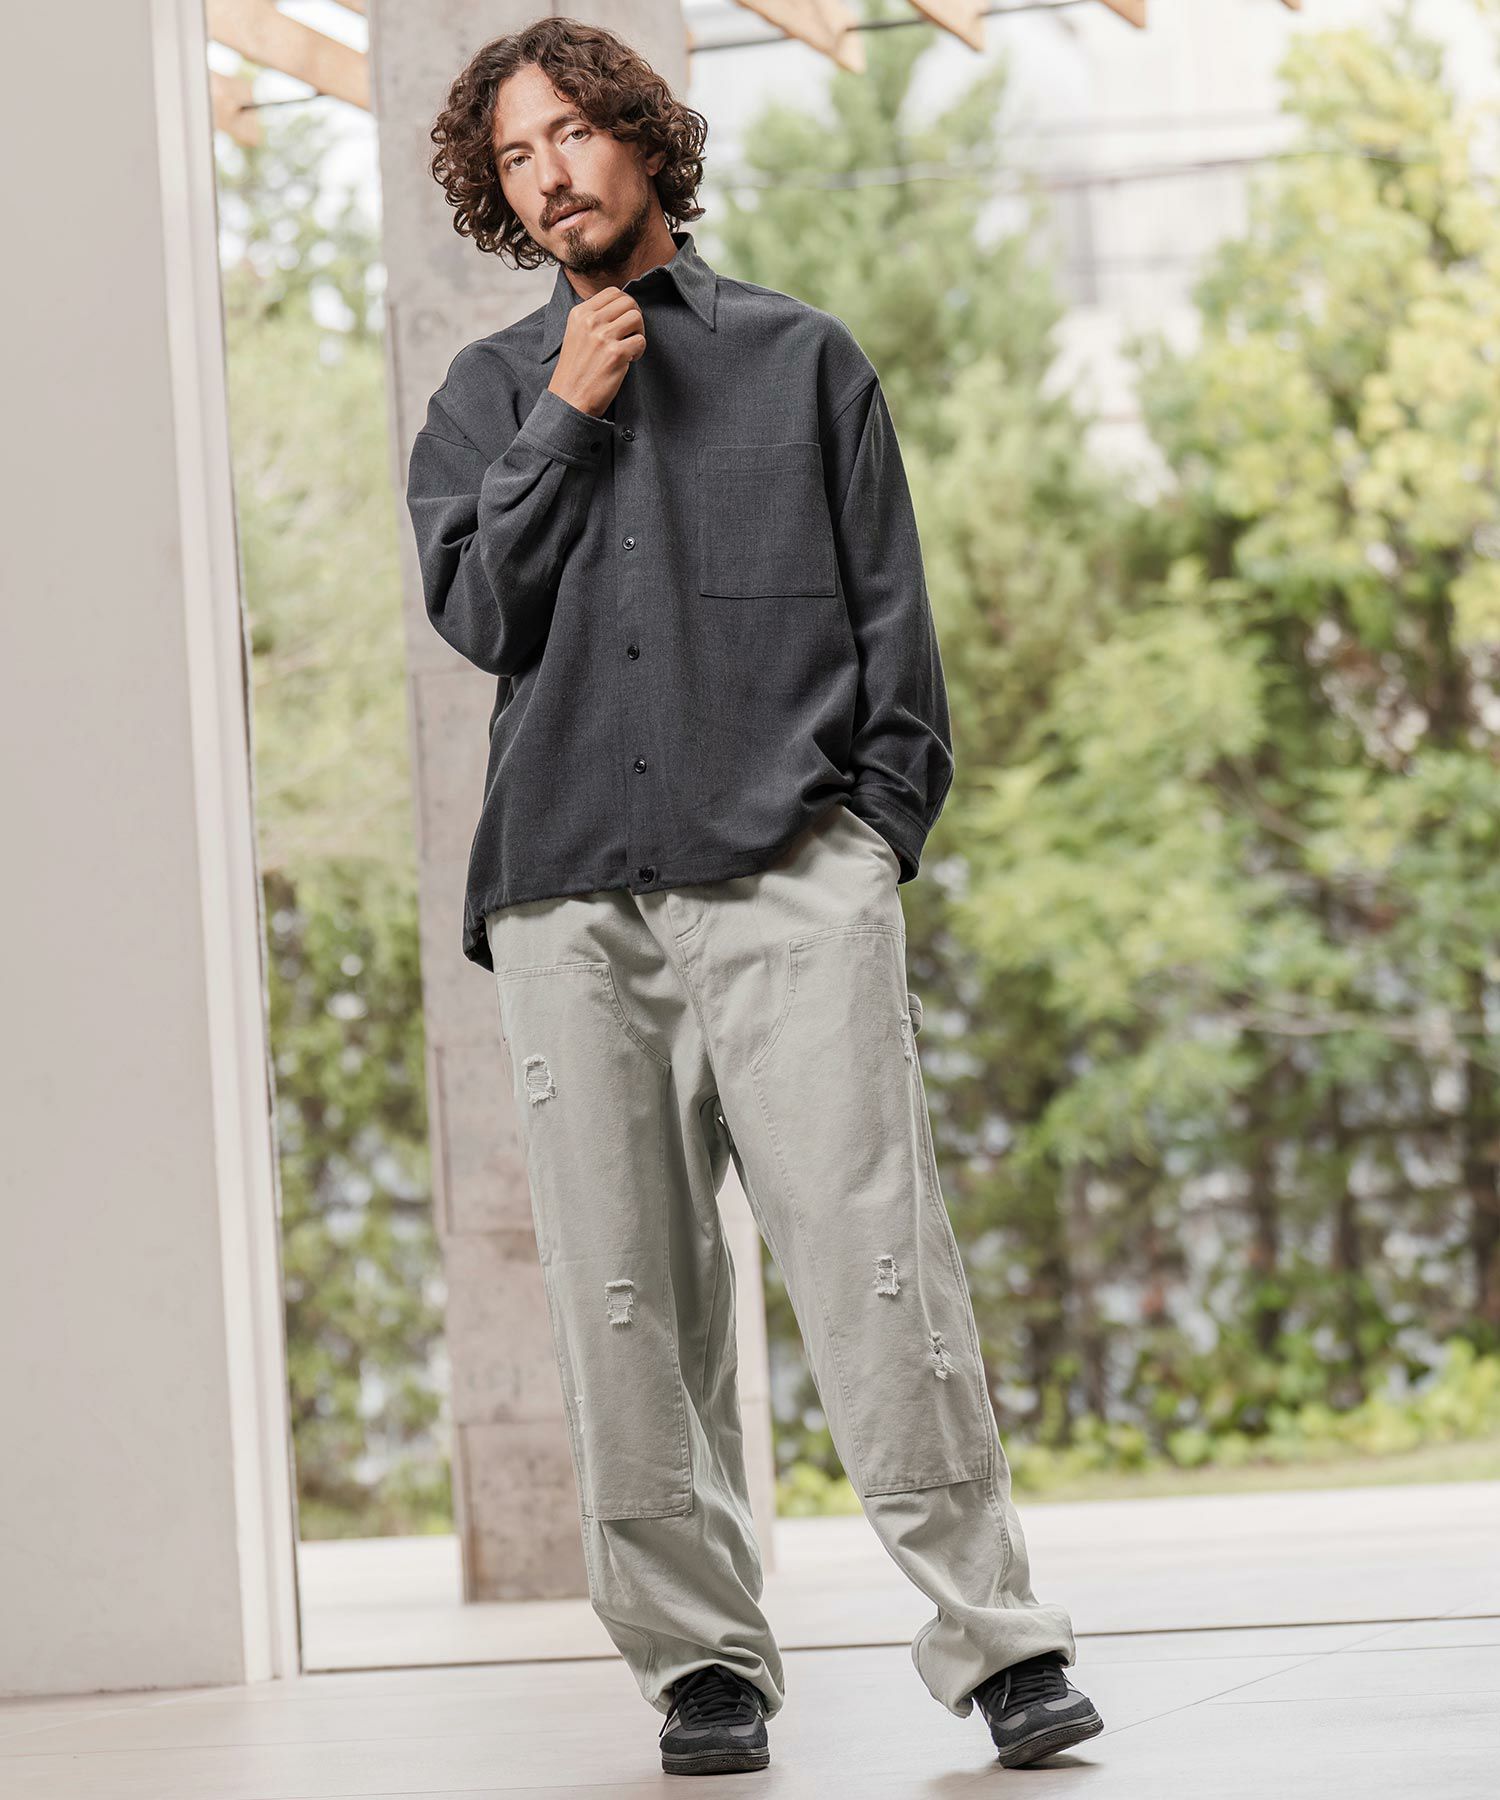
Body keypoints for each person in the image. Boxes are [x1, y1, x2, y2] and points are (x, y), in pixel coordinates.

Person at [405, 15, 1102, 1779]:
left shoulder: (802, 362)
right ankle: (701, 1667)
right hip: (572, 902)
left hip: (793, 879)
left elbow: (896, 639)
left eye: (573, 134)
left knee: (878, 1268)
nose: (550, 174)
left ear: (645, 138)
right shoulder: (484, 399)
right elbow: (479, 615)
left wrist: (867, 846)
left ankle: (1000, 1642)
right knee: (624, 1299)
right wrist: (566, 415)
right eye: (514, 157)